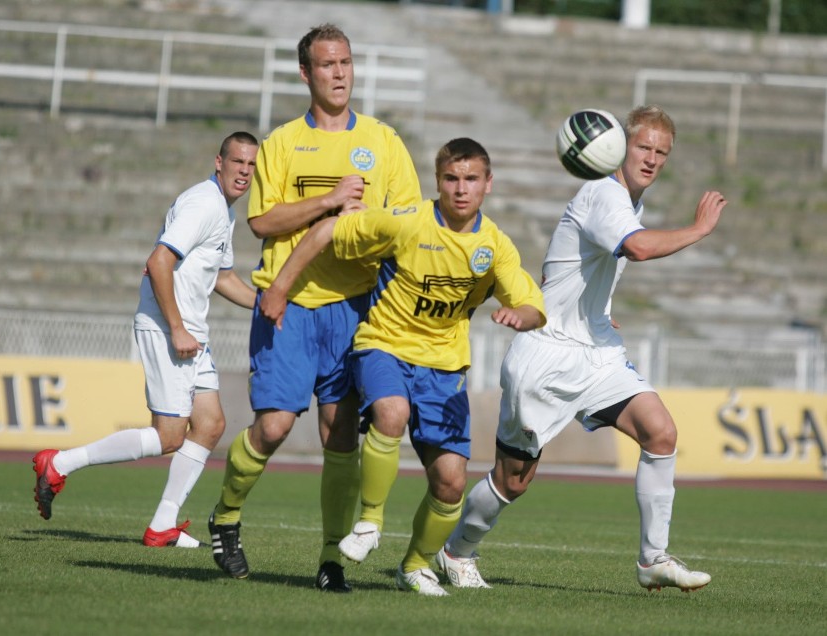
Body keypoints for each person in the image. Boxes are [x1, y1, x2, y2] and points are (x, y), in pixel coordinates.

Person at [438, 105, 727, 592]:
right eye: (643, 147)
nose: (652, 159)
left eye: (662, 152)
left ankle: (652, 559)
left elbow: (568, 267)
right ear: (619, 145)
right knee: (513, 481)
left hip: (595, 351)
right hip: (547, 354)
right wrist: (698, 230)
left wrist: (593, 308)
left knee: (661, 433)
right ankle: (455, 551)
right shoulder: (603, 193)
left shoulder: (624, 202)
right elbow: (635, 248)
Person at [260, 137, 546, 596]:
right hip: (384, 346)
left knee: (451, 484)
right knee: (391, 413)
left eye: (471, 179)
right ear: (437, 181)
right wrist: (278, 288)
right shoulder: (406, 221)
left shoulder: (495, 247)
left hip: (445, 369)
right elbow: (326, 232)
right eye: (451, 178)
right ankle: (370, 522)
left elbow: (532, 302)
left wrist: (521, 316)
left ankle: (414, 565)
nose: (460, 189)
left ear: (488, 184)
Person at [207, 24, 421, 592]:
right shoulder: (282, 143)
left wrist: (368, 233)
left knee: (340, 434)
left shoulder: (382, 141)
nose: (340, 73)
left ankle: (330, 560)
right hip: (290, 304)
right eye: (327, 65)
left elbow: (405, 222)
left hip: (355, 308)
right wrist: (328, 202)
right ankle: (226, 514)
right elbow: (260, 222)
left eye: (346, 62)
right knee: (274, 426)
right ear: (306, 73)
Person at [32, 131, 260, 548]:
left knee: (209, 424)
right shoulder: (204, 204)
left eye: (251, 165)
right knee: (170, 436)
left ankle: (161, 527)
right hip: (169, 328)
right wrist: (175, 327)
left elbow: (224, 277)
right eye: (238, 162)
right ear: (219, 162)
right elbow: (158, 261)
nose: (244, 172)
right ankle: (59, 463)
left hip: (191, 331)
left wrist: (269, 303)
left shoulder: (223, 210)